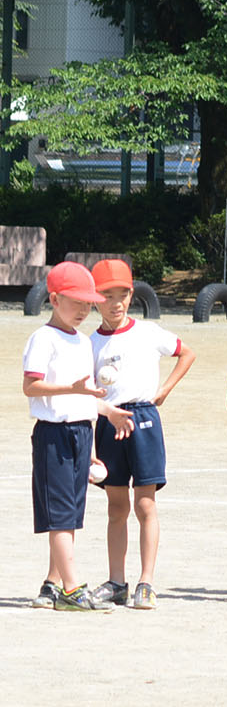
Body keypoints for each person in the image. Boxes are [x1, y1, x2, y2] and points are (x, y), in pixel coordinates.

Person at [86, 259, 196, 610]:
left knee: (145, 503)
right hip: (108, 422)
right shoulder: (88, 344)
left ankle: (146, 581)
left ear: (132, 295)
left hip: (143, 418)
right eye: (107, 295)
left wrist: (164, 390)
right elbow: (86, 396)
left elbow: (186, 352)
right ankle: (117, 581)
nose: (116, 303)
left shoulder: (148, 332)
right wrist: (91, 445)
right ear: (94, 298)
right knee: (116, 507)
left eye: (123, 294)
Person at [22, 262, 134, 611]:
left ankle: (56, 586)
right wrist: (68, 388)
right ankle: (71, 589)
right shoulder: (43, 338)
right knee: (59, 515)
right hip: (53, 436)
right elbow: (31, 386)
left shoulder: (84, 341)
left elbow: (84, 399)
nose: (85, 309)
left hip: (82, 434)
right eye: (76, 302)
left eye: (89, 303)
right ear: (54, 300)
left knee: (70, 514)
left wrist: (96, 442)